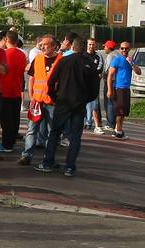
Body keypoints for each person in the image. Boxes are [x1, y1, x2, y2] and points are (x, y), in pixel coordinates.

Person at [36, 33, 103, 176]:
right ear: (84, 48)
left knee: (55, 133)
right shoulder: (90, 64)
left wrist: (55, 97)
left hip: (62, 102)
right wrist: (86, 99)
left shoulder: (64, 61)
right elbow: (95, 88)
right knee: (75, 136)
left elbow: (51, 80)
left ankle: (48, 162)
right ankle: (70, 166)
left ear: (72, 46)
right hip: (79, 105)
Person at [19, 35, 58, 166]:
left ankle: (48, 158)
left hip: (52, 102)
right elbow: (32, 78)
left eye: (46, 44)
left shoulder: (61, 60)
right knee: (31, 129)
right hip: (37, 100)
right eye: (41, 45)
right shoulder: (38, 59)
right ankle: (27, 154)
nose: (42, 47)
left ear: (53, 46)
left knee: (52, 131)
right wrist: (30, 95)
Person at [0, 29, 27, 152]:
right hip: (16, 90)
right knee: (15, 119)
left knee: (6, 121)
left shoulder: (4, 54)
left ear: (6, 40)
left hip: (5, 91)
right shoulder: (22, 54)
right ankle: (11, 141)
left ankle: (7, 144)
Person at [107, 41, 142, 139]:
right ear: (119, 49)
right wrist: (109, 90)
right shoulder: (116, 60)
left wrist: (131, 63)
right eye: (122, 48)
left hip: (126, 89)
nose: (124, 50)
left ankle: (117, 130)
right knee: (120, 112)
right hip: (119, 88)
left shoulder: (131, 60)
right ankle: (118, 132)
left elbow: (139, 72)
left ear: (129, 49)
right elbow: (110, 75)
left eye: (126, 48)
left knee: (123, 112)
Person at [83, 37, 109, 133]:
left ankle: (89, 122)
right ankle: (84, 121)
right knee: (83, 103)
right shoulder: (83, 55)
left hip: (94, 85)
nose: (91, 46)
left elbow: (99, 70)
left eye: (93, 44)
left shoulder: (98, 56)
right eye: (89, 44)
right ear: (87, 45)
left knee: (93, 104)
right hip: (83, 84)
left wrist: (90, 73)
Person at [100, 40, 119, 132]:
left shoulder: (110, 56)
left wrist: (102, 76)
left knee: (109, 102)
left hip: (110, 81)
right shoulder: (117, 55)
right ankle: (113, 123)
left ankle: (110, 123)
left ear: (109, 47)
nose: (104, 48)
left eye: (105, 47)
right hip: (116, 82)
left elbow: (107, 70)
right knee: (113, 102)